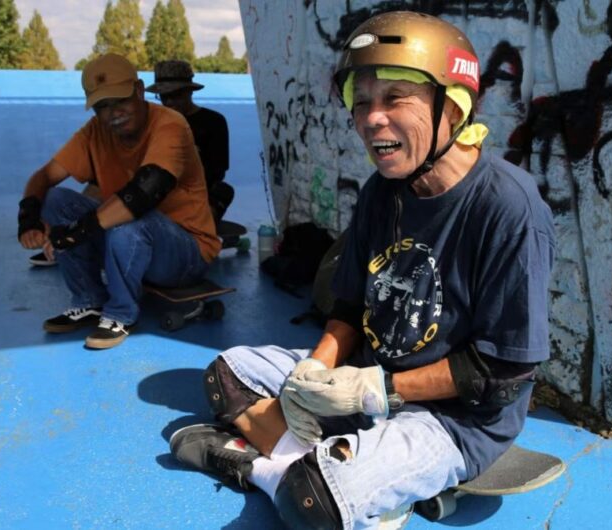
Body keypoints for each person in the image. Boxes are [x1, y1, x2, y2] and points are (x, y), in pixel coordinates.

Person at [168, 11, 556, 529]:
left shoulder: (510, 207)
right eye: (362, 101)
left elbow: (504, 375)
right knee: (227, 375)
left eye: (396, 98)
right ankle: (358, 475)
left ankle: (259, 467)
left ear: (455, 105)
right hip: (364, 381)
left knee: (314, 502)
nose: (373, 119)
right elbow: (351, 303)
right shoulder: (382, 191)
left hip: (451, 418)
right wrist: (320, 368)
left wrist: (378, 390)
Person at [17, 53, 220, 349]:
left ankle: (121, 313)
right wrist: (29, 217)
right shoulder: (95, 132)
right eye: (103, 106)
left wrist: (73, 233)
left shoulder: (171, 125)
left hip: (186, 253)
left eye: (120, 100)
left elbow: (143, 194)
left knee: (131, 219)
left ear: (138, 91)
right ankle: (89, 300)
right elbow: (45, 175)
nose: (114, 113)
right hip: (128, 237)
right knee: (56, 199)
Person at [144, 60, 234, 221]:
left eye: (175, 96)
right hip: (156, 193)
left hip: (196, 194)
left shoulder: (213, 122)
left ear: (189, 92)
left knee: (223, 191)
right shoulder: (152, 122)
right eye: (164, 97)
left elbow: (217, 171)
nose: (169, 103)